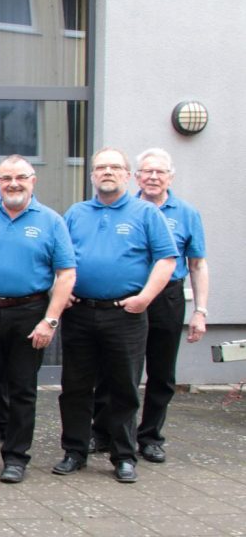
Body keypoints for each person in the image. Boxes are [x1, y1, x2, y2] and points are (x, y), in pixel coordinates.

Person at [0, 156, 75, 483]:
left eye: (20, 177)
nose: (13, 184)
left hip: (30, 313)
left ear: (33, 180)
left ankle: (16, 458)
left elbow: (66, 274)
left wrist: (50, 321)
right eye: (6, 178)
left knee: (22, 390)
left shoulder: (51, 221)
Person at [55, 147, 176, 483]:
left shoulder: (146, 213)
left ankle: (124, 455)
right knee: (75, 387)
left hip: (125, 314)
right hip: (80, 312)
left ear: (126, 174)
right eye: (101, 167)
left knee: (124, 387)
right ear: (92, 175)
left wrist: (145, 298)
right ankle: (74, 451)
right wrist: (59, 291)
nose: (107, 172)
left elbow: (166, 260)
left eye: (114, 167)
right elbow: (57, 257)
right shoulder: (76, 213)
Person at [109, 147, 209, 462]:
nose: (153, 177)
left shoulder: (187, 213)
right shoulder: (122, 208)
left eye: (160, 172)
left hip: (167, 297)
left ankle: (150, 437)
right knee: (117, 368)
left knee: (161, 371)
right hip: (128, 296)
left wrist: (200, 311)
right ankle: (106, 432)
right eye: (147, 172)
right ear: (136, 177)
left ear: (170, 177)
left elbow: (197, 264)